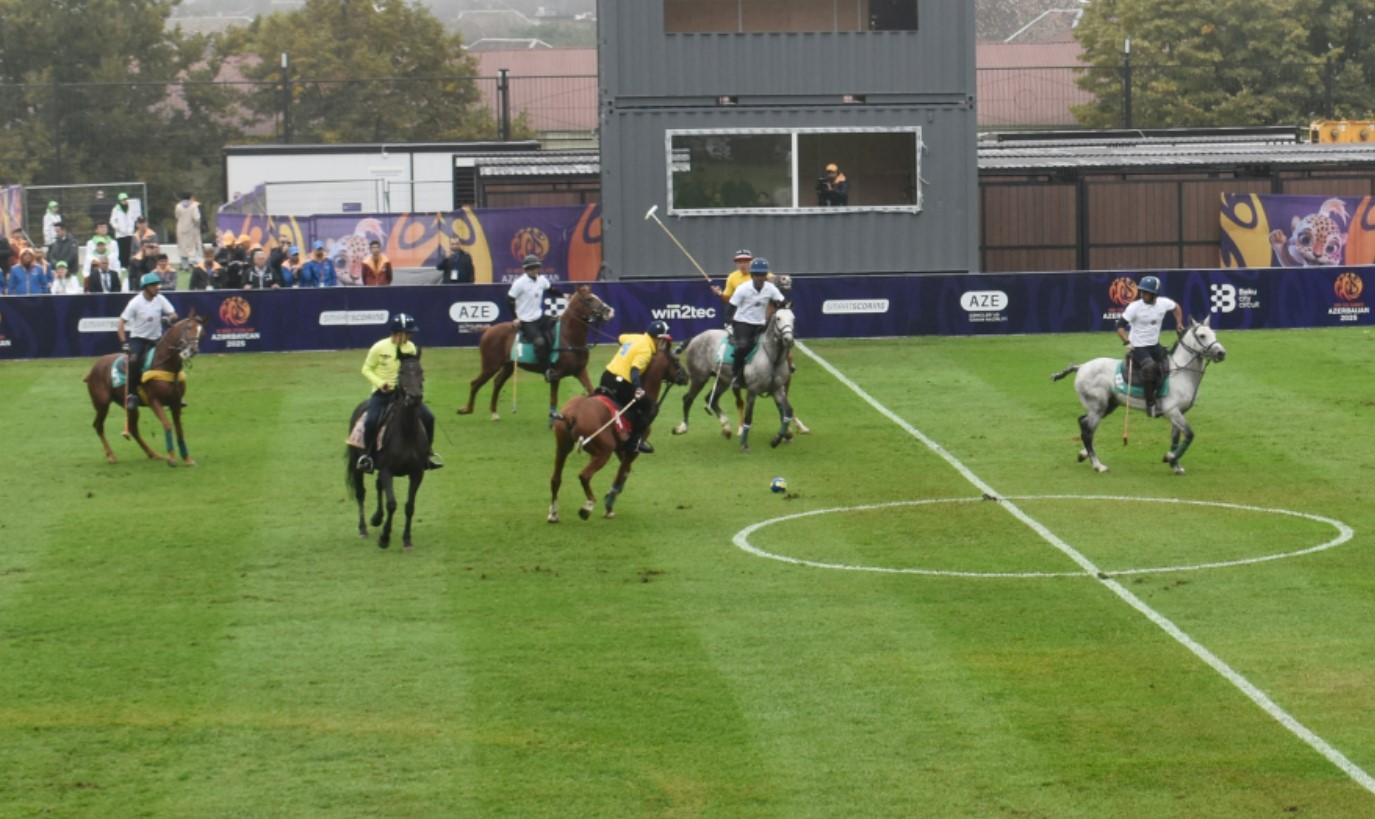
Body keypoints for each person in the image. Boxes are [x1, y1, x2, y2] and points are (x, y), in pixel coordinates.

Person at [356, 313, 442, 473]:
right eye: (409, 332)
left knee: (429, 417)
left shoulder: (411, 348)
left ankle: (427, 454)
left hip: (406, 395)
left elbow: (413, 371)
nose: (411, 335)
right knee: (371, 421)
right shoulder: (379, 347)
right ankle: (368, 457)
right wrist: (380, 383)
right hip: (383, 394)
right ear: (399, 332)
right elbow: (366, 369)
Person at [598, 320, 673, 454]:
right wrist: (638, 389)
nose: (662, 343)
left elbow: (620, 338)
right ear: (657, 339)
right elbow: (635, 371)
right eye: (662, 340)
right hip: (620, 384)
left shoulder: (635, 337)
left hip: (606, 377)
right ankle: (635, 442)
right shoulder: (646, 350)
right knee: (649, 406)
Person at [1116, 275, 1185, 418]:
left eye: (1146, 292)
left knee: (1170, 362)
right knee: (1150, 367)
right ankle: (1150, 404)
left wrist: (1179, 323)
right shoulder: (1134, 307)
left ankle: (1165, 394)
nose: (1142, 294)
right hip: (1138, 347)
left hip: (1154, 345)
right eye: (1142, 291)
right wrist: (1127, 342)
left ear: (1154, 294)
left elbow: (1176, 307)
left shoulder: (1164, 303)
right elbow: (1119, 326)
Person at [117, 273, 179, 410]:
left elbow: (174, 314)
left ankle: (175, 392)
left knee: (174, 356)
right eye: (153, 285)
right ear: (145, 287)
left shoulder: (160, 299)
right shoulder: (135, 303)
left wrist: (168, 318)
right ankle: (132, 395)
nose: (157, 287)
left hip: (157, 339)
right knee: (133, 362)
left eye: (157, 284)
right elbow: (121, 322)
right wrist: (124, 342)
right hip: (139, 339)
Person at [727, 257, 786, 389]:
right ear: (752, 275)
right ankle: (736, 376)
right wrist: (727, 323)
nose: (760, 277)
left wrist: (785, 305)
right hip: (743, 323)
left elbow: (781, 301)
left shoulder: (770, 288)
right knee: (743, 347)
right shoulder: (743, 288)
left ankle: (782, 367)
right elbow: (731, 307)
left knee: (778, 342)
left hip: (761, 323)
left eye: (763, 275)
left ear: (766, 276)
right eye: (757, 275)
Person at [507, 254, 567, 382]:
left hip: (539, 316)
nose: (535, 270)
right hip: (526, 321)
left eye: (537, 267)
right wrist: (515, 318)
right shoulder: (519, 283)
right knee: (539, 342)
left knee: (558, 325)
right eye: (532, 268)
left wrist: (563, 295)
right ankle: (546, 370)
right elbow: (509, 299)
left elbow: (550, 289)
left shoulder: (541, 279)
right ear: (526, 269)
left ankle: (556, 359)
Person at [710, 249, 754, 321]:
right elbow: (728, 300)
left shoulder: (760, 274)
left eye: (745, 262)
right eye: (739, 262)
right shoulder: (732, 277)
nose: (742, 265)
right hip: (741, 315)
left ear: (751, 262)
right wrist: (719, 294)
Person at [110, 192, 137, 268]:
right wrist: (118, 228)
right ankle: (122, 265)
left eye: (125, 199)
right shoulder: (116, 209)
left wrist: (131, 228)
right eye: (122, 200)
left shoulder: (130, 208)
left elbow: (133, 218)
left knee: (129, 249)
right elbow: (112, 221)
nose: (124, 201)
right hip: (120, 234)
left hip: (129, 233)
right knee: (121, 250)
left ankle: (129, 265)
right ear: (119, 200)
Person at [174, 193, 201, 267]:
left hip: (180, 229)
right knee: (192, 247)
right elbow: (197, 218)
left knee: (182, 247)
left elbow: (177, 216)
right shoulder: (193, 206)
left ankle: (184, 265)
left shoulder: (178, 206)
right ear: (190, 197)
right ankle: (193, 263)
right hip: (191, 229)